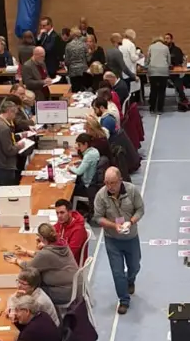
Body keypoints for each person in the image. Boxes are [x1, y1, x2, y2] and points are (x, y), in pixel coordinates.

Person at [94, 166, 145, 314]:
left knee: (134, 266)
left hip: (131, 238)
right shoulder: (100, 196)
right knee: (117, 273)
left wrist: (131, 221)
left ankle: (131, 280)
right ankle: (124, 300)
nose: (110, 186)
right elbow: (98, 217)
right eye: (107, 183)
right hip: (112, 240)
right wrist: (113, 225)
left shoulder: (132, 191)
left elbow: (140, 209)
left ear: (120, 180)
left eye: (113, 183)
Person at [13, 223, 78, 309]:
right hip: (73, 287)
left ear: (42, 238)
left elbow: (29, 267)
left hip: (62, 293)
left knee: (30, 287)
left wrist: (16, 260)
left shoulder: (45, 254)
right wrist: (27, 252)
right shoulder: (62, 244)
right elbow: (45, 257)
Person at [163, 32, 190, 110]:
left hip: (173, 72)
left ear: (171, 40)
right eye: (165, 38)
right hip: (162, 71)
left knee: (178, 80)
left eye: (168, 38)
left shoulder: (177, 50)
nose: (166, 40)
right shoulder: (161, 49)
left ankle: (183, 99)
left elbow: (180, 61)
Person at [69, 133, 101, 204]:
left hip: (87, 186)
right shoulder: (94, 151)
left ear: (85, 144)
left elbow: (78, 172)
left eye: (79, 145)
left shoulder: (88, 155)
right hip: (92, 182)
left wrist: (70, 167)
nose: (79, 148)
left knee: (69, 189)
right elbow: (88, 161)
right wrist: (80, 161)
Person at [54, 198, 88, 264]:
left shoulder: (78, 230)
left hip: (70, 265)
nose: (59, 216)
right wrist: (44, 237)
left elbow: (70, 253)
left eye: (62, 212)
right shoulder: (63, 222)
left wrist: (49, 246)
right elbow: (52, 230)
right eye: (57, 213)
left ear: (70, 212)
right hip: (61, 258)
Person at [145, 36, 172, 114]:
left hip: (153, 71)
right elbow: (169, 61)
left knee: (153, 90)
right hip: (163, 71)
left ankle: (152, 109)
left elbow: (148, 59)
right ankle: (160, 109)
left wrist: (146, 65)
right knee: (162, 91)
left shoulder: (151, 47)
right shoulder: (166, 48)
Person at [64, 27, 89, 93]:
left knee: (75, 90)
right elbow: (88, 58)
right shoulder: (84, 45)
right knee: (84, 90)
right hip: (83, 70)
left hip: (73, 71)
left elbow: (67, 61)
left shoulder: (68, 45)